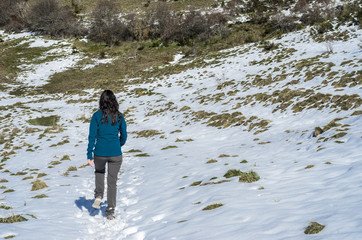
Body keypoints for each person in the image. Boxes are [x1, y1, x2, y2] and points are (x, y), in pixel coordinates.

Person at [87, 90, 127, 220]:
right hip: (115, 153)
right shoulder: (120, 116)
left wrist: (89, 154)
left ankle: (98, 196)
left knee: (99, 172)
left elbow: (92, 136)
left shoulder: (96, 116)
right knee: (112, 181)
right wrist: (118, 145)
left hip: (99, 152)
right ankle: (110, 211)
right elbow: (124, 135)